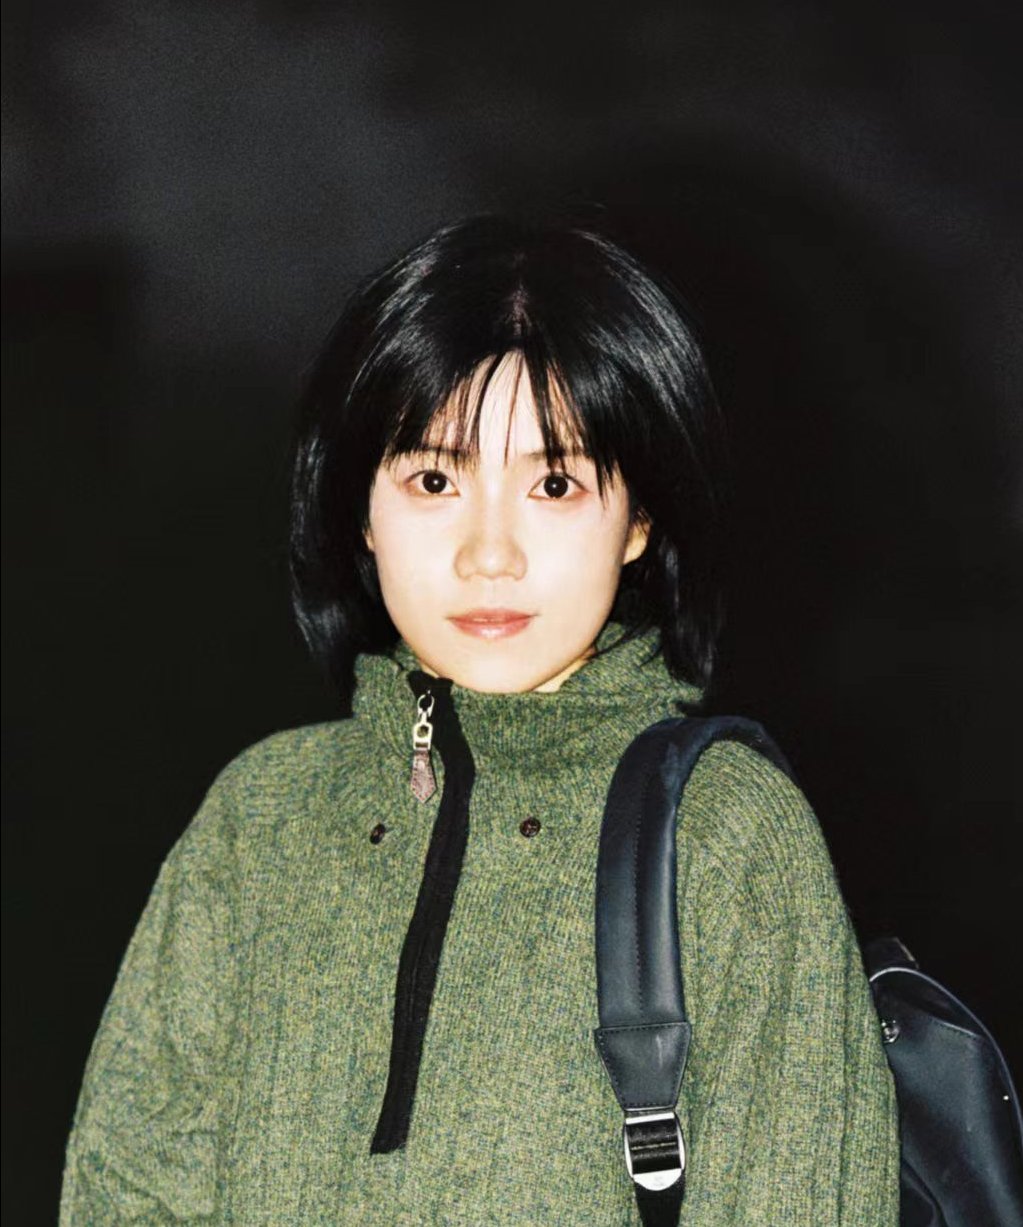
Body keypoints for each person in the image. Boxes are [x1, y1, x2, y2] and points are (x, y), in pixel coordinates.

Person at [60, 215, 900, 1224]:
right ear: (360, 511)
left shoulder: (727, 835)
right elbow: (125, 1193)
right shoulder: (260, 818)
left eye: (553, 483)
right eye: (433, 480)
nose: (488, 553)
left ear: (639, 518)